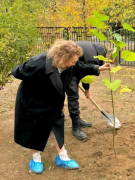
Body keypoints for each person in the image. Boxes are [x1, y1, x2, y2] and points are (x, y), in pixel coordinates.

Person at [12, 40, 110, 173]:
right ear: (63, 58)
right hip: (33, 103)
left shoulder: (70, 65)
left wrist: (97, 68)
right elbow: (18, 71)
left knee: (56, 128)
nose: (74, 64)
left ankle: (62, 157)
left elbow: (80, 66)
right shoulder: (38, 63)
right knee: (35, 130)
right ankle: (35, 159)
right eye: (73, 61)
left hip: (52, 102)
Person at [66, 41, 106, 140]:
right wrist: (87, 90)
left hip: (74, 67)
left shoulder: (92, 49)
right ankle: (76, 128)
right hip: (69, 70)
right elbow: (86, 71)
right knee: (73, 98)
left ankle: (78, 120)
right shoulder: (93, 56)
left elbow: (84, 72)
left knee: (74, 97)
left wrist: (87, 90)